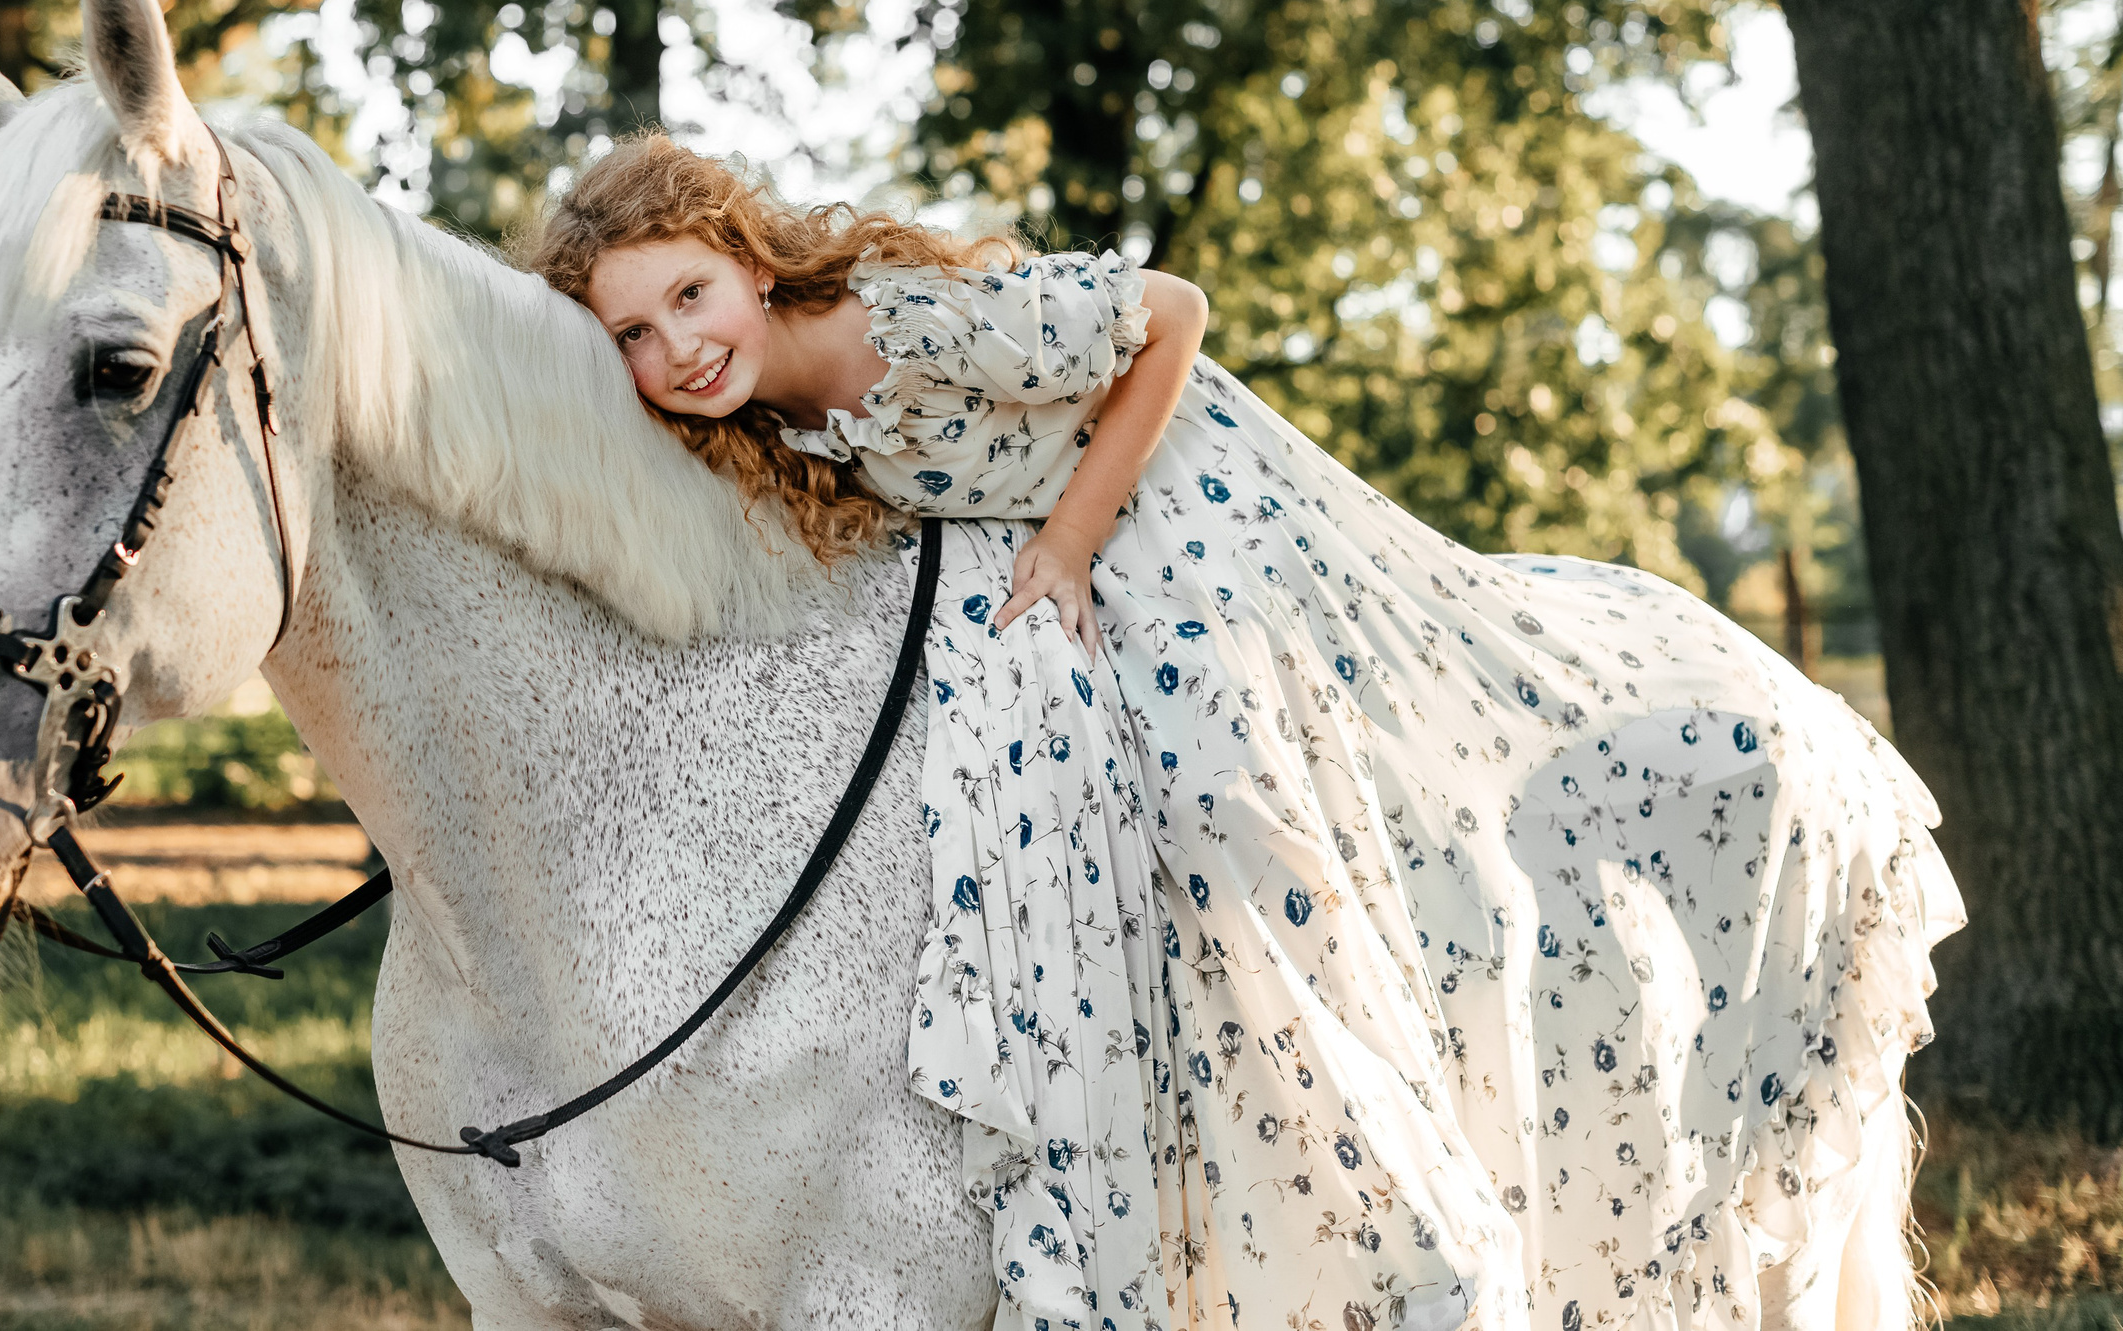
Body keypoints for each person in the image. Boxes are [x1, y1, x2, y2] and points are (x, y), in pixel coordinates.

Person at [527, 135, 1956, 1331]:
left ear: (752, 261)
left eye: (691, 296)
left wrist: (1077, 543)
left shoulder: (892, 321)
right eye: (634, 337)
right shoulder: (765, 423)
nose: (677, 348)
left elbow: (1172, 313)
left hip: (1178, 515)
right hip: (1032, 553)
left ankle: (1382, 1193)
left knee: (1222, 804)